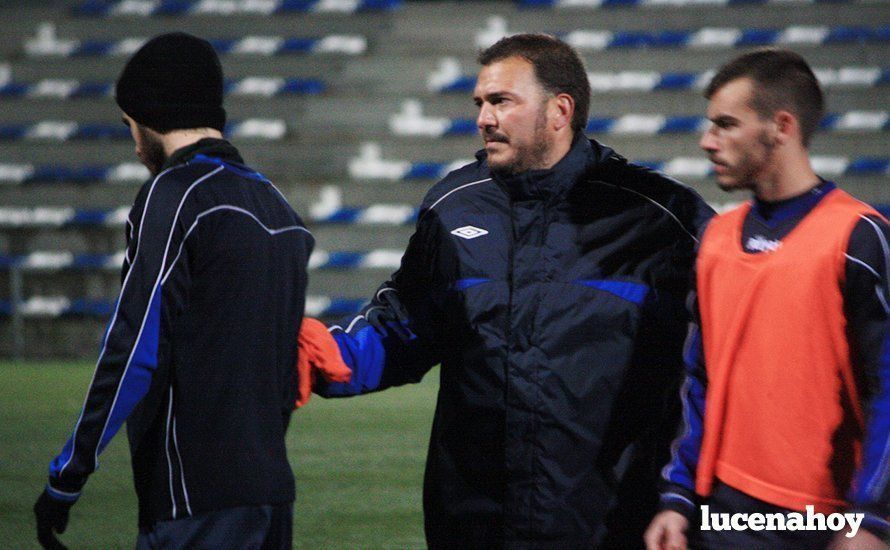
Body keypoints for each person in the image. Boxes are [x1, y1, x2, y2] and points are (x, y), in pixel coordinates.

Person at [306, 33, 713, 547]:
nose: (483, 118)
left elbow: (729, 354)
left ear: (560, 110)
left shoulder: (661, 217)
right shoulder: (453, 208)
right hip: (474, 522)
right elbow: (404, 328)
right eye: (479, 103)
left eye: (501, 101)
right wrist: (322, 357)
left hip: (609, 523)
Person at [32, 33, 314, 549]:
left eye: (130, 127)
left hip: (192, 500)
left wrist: (67, 475)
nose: (135, 146)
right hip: (271, 497)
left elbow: (133, 349)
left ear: (148, 116)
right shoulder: (280, 211)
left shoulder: (173, 195)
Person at [645, 48, 890, 550]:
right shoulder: (717, 237)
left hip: (826, 520)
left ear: (782, 126)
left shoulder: (860, 238)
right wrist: (679, 496)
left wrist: (874, 518)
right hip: (725, 510)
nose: (707, 141)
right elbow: (700, 379)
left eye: (726, 125)